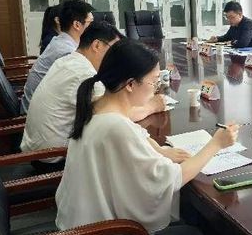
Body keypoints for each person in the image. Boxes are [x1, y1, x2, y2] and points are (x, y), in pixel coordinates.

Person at [56, 39, 238, 235]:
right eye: (153, 82)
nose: (157, 88)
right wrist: (216, 145)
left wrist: (159, 150)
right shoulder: (115, 127)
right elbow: (171, 179)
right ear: (130, 84)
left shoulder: (98, 108)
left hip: (77, 231)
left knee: (183, 218)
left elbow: (132, 134)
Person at [21, 21, 175, 173]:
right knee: (136, 163)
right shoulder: (83, 74)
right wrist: (153, 106)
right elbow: (117, 113)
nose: (116, 57)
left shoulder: (67, 61)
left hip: (38, 151)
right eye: (113, 49)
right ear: (97, 45)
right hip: (54, 159)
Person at [22, 0, 94, 112]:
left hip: (38, 106)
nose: (94, 27)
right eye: (90, 22)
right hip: (38, 112)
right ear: (77, 25)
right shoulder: (67, 52)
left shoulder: (59, 41)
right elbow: (81, 89)